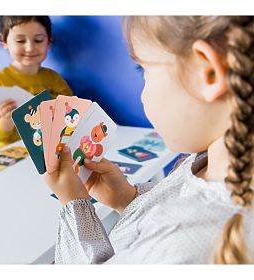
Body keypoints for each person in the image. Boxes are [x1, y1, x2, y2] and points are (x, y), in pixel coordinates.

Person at [45, 16, 254, 264]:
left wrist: (75, 206)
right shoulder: (211, 163)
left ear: (207, 72)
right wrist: (127, 198)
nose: (143, 95)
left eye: (143, 69)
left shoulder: (180, 246)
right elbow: (180, 202)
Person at [0, 16, 73, 150]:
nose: (30, 48)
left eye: (38, 40)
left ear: (49, 41)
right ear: (3, 41)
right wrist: (6, 122)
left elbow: (73, 115)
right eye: (20, 40)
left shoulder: (54, 80)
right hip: (11, 155)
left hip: (46, 151)